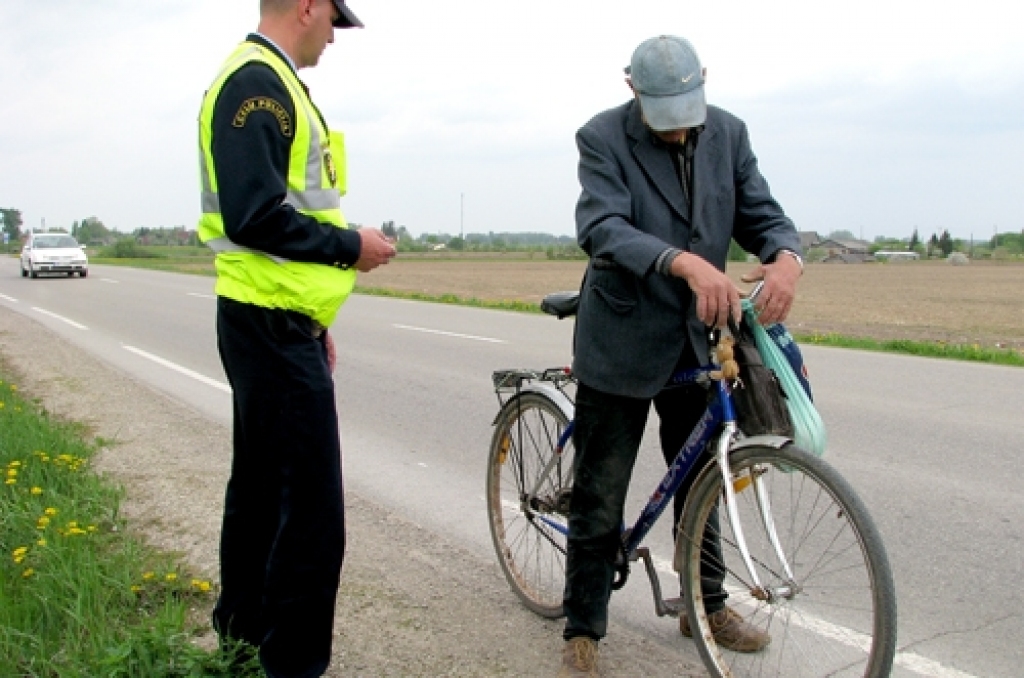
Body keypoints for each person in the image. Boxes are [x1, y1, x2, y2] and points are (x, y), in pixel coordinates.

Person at [558, 35, 804, 677]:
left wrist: (785, 259)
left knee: (702, 482)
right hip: (622, 339)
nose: (677, 133)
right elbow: (603, 227)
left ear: (704, 83)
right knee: (601, 490)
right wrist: (684, 263)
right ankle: (582, 627)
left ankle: (708, 603)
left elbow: (762, 215)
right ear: (633, 91)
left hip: (699, 340)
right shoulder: (602, 137)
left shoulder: (728, 134)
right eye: (662, 117)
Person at [195, 1, 396, 676]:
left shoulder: (265, 78)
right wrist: (351, 247)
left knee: (258, 497)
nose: (334, 37)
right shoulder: (258, 85)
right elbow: (255, 215)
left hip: (276, 321)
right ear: (307, 5)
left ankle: (243, 647)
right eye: (333, 20)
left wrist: (315, 321)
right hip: (268, 326)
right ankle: (288, 666)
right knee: (310, 519)